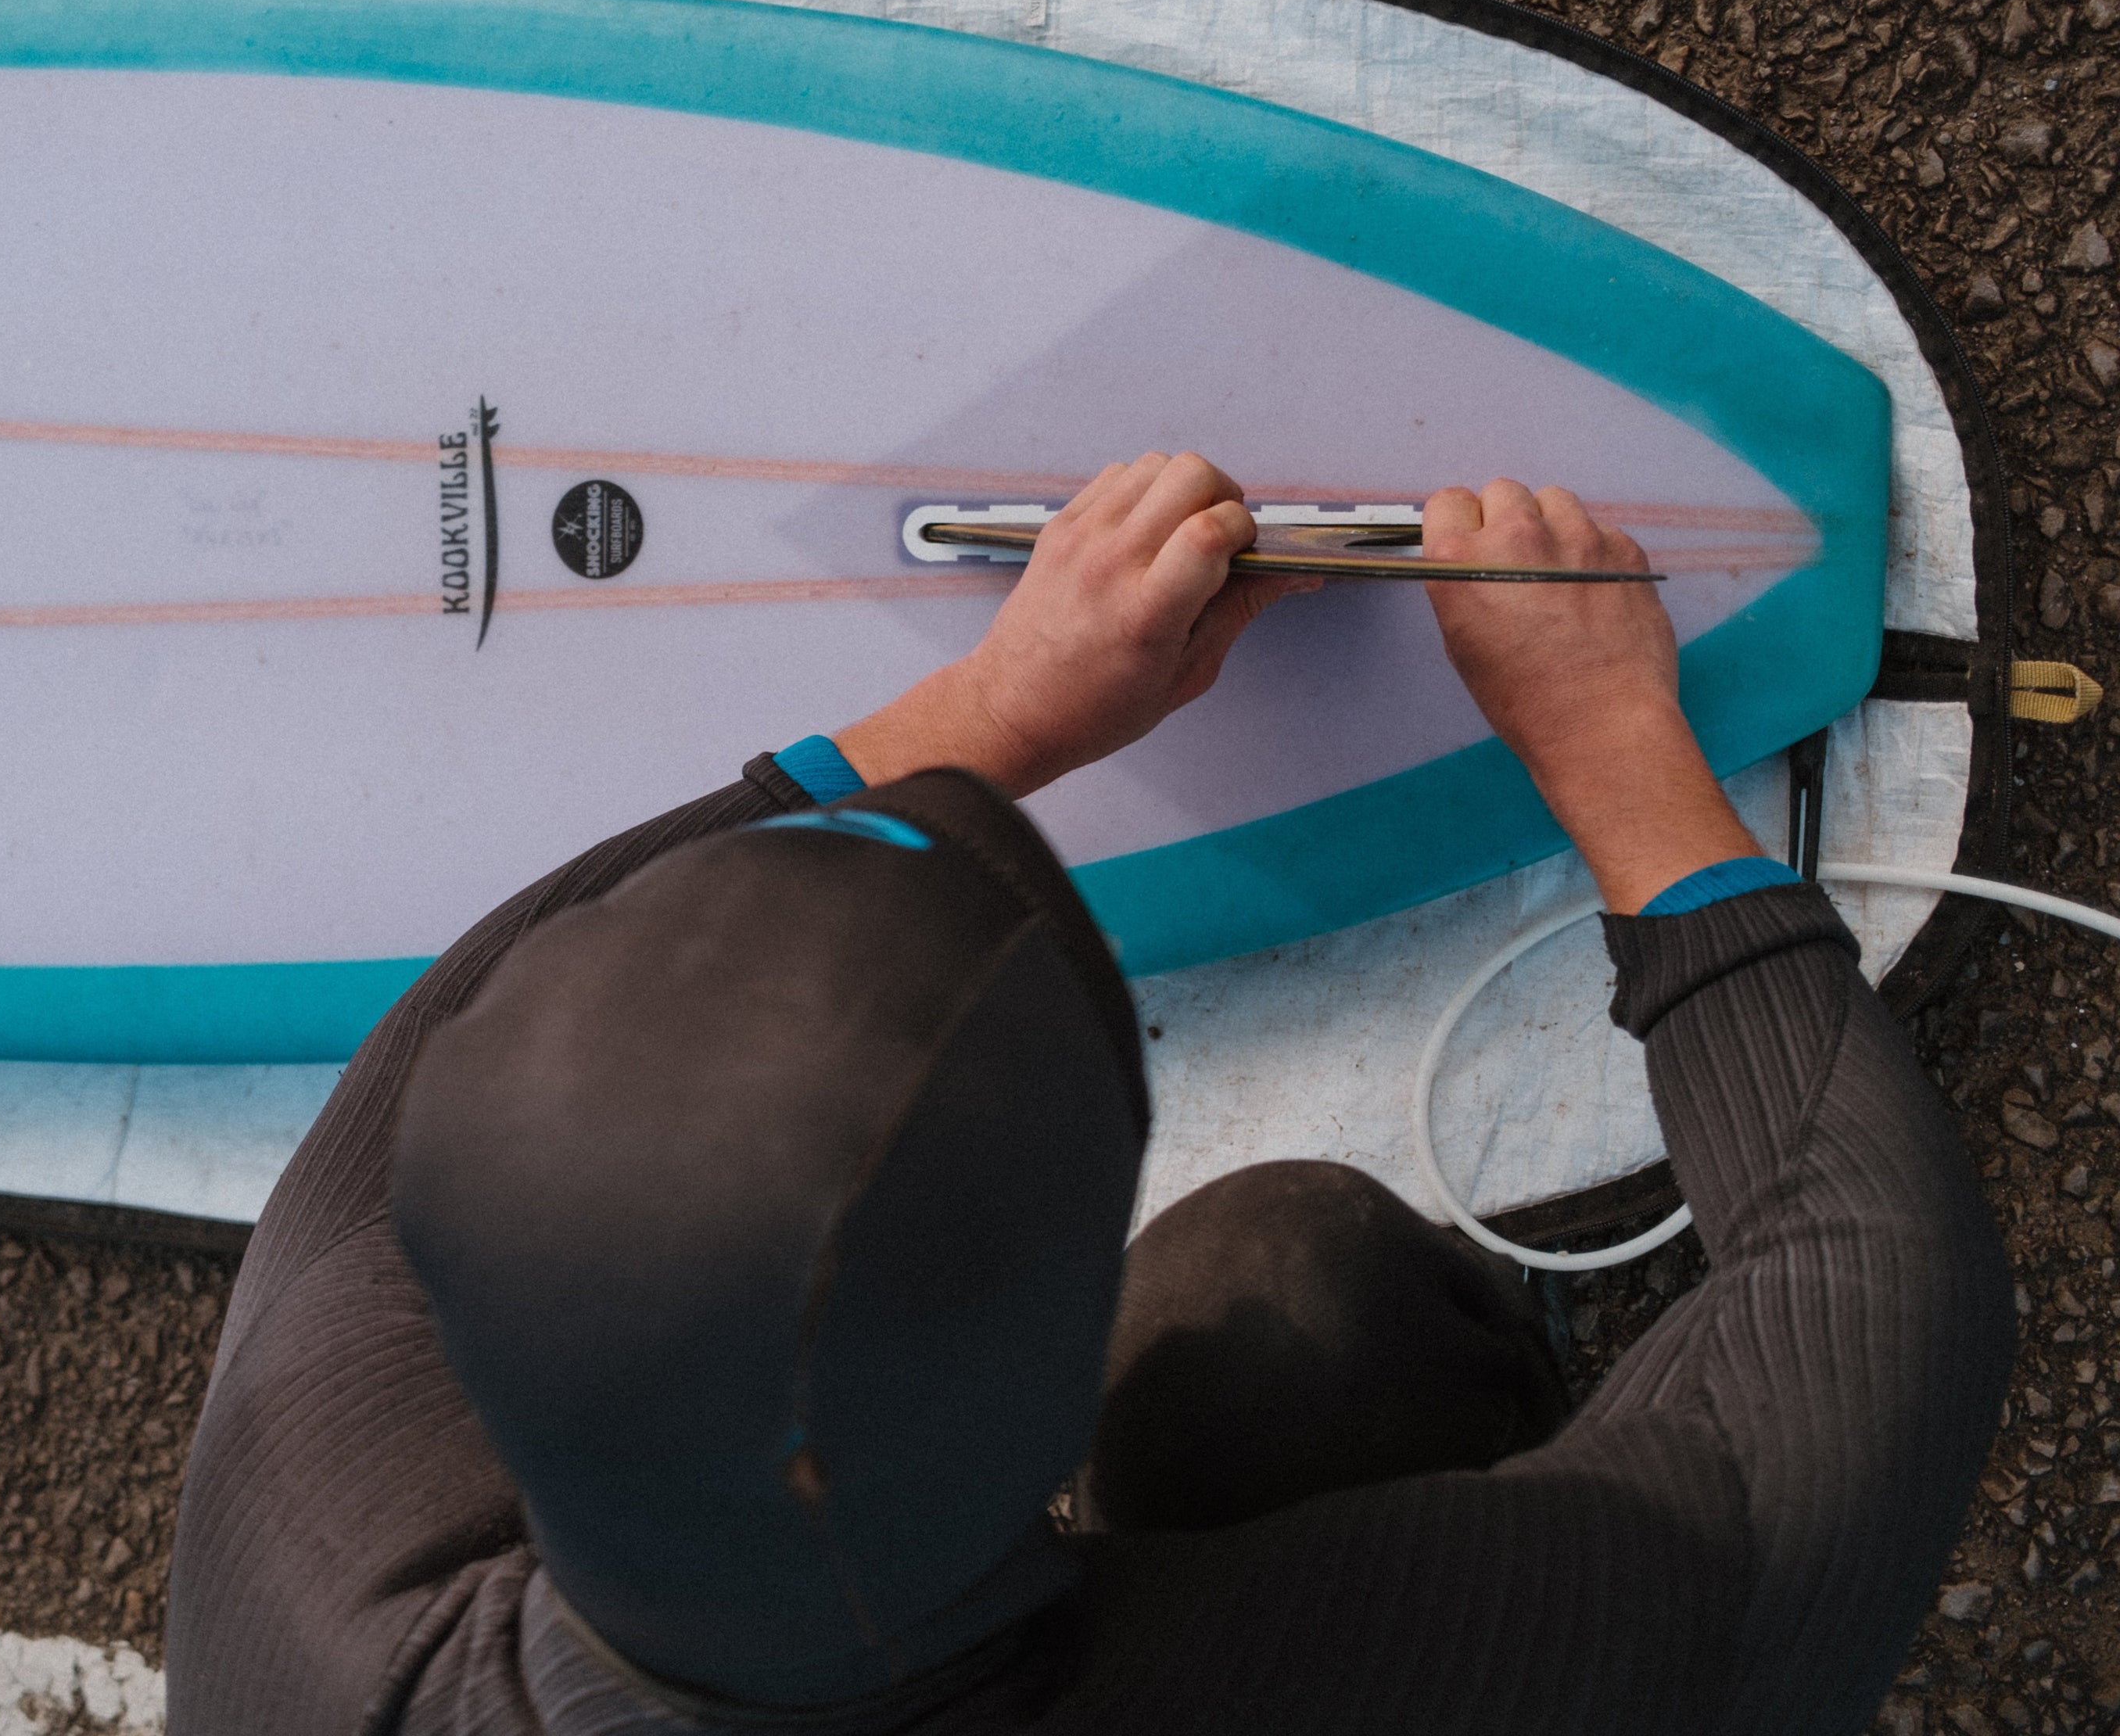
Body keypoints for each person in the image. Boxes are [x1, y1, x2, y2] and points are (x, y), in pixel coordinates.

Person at [166, 454, 2014, 1736]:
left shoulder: (308, 1508)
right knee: (1302, 1315)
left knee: (1260, 1313)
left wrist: (992, 706)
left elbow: (489, 985)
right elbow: (1864, 1280)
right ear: (1041, 1393)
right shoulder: (1475, 1678)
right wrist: (1615, 741)